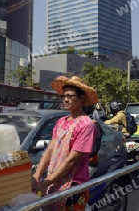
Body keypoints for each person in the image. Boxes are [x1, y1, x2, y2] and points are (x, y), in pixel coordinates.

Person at [32, 76, 98, 210]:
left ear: (81, 99)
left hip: (73, 186)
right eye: (64, 96)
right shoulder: (61, 121)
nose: (66, 99)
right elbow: (50, 150)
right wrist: (37, 175)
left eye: (70, 96)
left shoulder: (86, 124)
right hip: (54, 181)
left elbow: (72, 160)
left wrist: (47, 181)